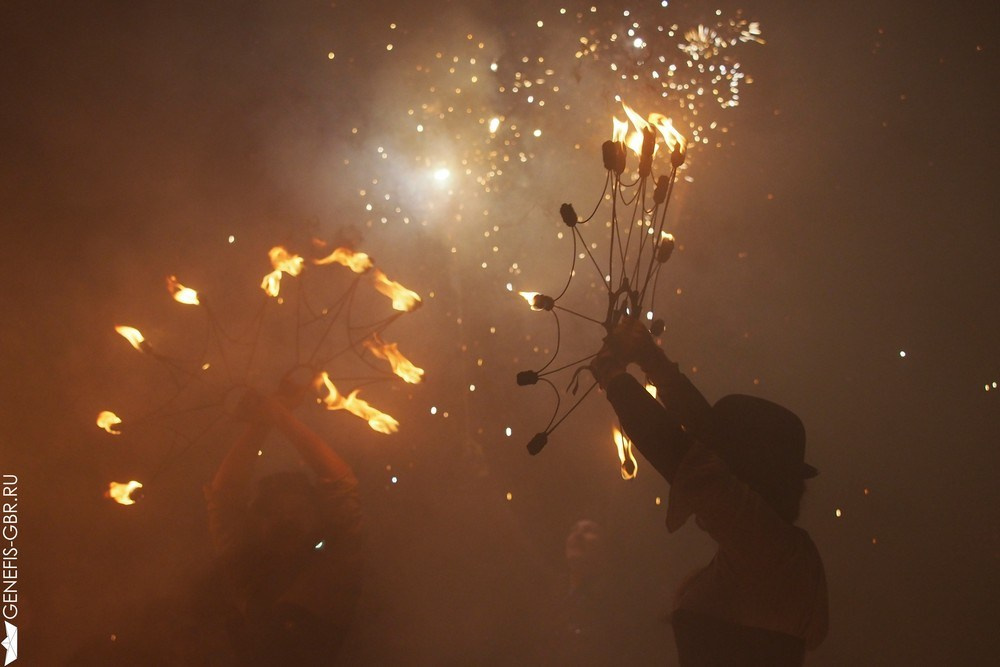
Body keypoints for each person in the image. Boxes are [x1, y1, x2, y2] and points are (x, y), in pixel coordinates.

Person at [590, 318, 828, 666]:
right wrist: (647, 355)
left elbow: (688, 460)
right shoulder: (780, 552)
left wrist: (615, 379)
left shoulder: (769, 549)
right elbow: (709, 437)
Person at [204, 379, 363, 665]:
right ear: (258, 521)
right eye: (275, 511)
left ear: (317, 513)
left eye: (298, 509)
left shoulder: (337, 561)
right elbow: (224, 498)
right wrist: (267, 419)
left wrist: (277, 416)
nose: (287, 519)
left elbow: (339, 483)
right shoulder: (247, 570)